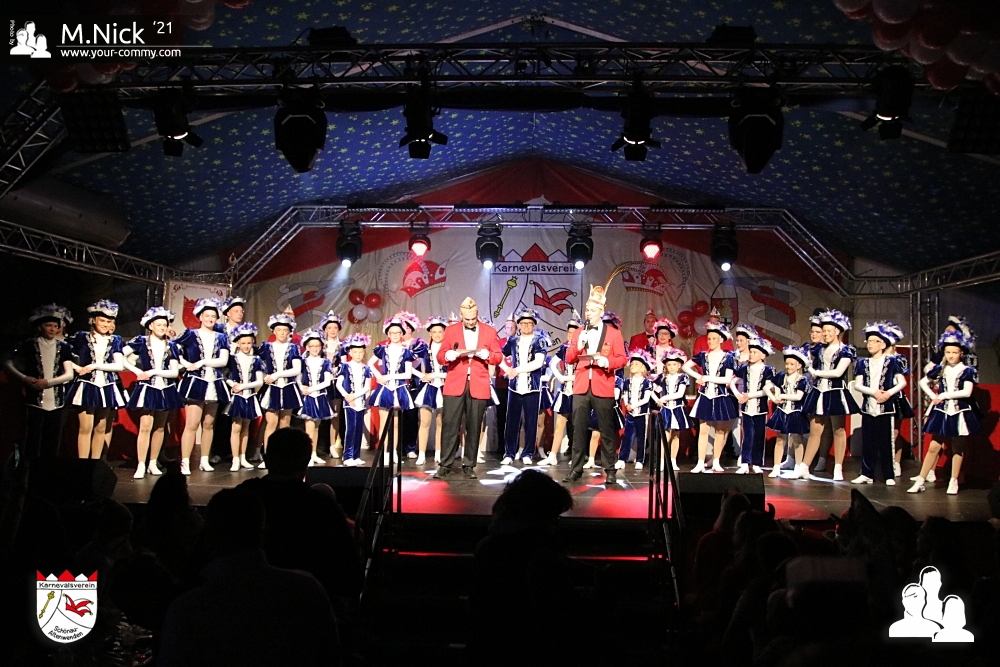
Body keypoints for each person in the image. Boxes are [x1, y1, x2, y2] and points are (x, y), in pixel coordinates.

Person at [158, 486, 341, 667]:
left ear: (207, 535)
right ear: (263, 532)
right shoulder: (307, 590)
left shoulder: (187, 608)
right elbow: (330, 656)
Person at [562, 285, 627, 485]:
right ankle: (576, 469)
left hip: (603, 385)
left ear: (600, 311)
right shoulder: (579, 332)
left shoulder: (613, 333)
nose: (588, 313)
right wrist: (578, 345)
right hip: (582, 386)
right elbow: (569, 358)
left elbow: (622, 358)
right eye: (587, 310)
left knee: (606, 429)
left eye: (592, 310)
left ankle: (610, 470)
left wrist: (608, 362)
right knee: (578, 429)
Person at [433, 297, 503, 480]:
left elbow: (498, 357)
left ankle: (469, 464)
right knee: (450, 424)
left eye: (473, 318)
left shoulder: (489, 331)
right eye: (467, 319)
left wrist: (488, 355)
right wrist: (448, 355)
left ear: (477, 314)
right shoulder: (451, 330)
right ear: (461, 315)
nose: (470, 322)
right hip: (455, 382)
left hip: (478, 383)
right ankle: (445, 464)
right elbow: (440, 355)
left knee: (474, 425)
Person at [908, 330, 981, 495]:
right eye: (948, 352)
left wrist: (944, 395)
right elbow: (923, 382)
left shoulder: (967, 370)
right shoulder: (941, 368)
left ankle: (954, 480)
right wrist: (933, 396)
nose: (951, 355)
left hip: (960, 411)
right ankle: (920, 480)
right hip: (942, 411)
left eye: (954, 352)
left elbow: (967, 392)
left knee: (957, 447)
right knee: (933, 446)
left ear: (961, 353)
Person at [4, 304, 75, 459]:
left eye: (55, 326)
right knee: (32, 439)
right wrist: (24, 378)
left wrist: (47, 382)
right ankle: (30, 469)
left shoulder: (63, 347)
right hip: (34, 400)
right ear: (40, 327)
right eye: (48, 325)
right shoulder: (29, 344)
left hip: (56, 402)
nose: (52, 329)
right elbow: (9, 363)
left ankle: (48, 469)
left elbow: (69, 374)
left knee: (52, 441)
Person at [122, 307, 183, 479]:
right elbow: (120, 356)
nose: (162, 327)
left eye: (165, 325)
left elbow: (173, 372)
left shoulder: (172, 346)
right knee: (145, 427)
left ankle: (153, 462)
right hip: (148, 388)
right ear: (150, 326)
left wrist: (154, 372)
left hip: (165, 389)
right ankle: (141, 464)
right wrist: (137, 371)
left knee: (160, 428)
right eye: (159, 324)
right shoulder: (141, 341)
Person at [800, 309, 858, 482]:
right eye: (823, 331)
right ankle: (804, 467)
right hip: (819, 391)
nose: (825, 334)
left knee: (838, 430)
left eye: (828, 331)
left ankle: (838, 467)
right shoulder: (820, 349)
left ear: (837, 331)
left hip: (835, 392)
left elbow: (838, 372)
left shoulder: (846, 350)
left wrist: (816, 372)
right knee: (815, 430)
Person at [175, 298, 231, 475]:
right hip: (195, 381)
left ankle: (204, 459)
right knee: (192, 424)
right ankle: (185, 461)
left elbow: (223, 360)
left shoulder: (222, 337)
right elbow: (174, 350)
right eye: (207, 315)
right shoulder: (190, 334)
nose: (210, 318)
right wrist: (186, 364)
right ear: (200, 317)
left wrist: (202, 362)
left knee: (209, 424)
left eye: (213, 316)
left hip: (214, 381)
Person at [66, 300, 126, 459]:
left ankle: (96, 464)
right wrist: (77, 368)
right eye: (102, 321)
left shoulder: (115, 340)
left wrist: (95, 366)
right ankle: (83, 465)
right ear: (93, 320)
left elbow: (119, 365)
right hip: (87, 385)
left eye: (109, 321)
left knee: (101, 427)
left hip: (106, 385)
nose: (106, 324)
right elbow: (62, 354)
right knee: (85, 427)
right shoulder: (81, 337)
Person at [851, 322, 907, 486]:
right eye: (868, 341)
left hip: (886, 408)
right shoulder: (862, 363)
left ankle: (888, 474)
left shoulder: (892, 362)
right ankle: (866, 473)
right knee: (868, 442)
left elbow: (902, 382)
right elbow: (858, 385)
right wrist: (874, 392)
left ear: (882, 344)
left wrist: (888, 393)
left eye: (874, 341)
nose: (870, 344)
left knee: (886, 442)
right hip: (869, 407)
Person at [683, 320, 738, 474]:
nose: (711, 341)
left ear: (721, 339)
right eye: (709, 338)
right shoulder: (703, 356)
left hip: (721, 396)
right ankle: (700, 462)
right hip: (705, 395)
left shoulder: (728, 357)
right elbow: (685, 366)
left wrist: (707, 378)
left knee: (720, 431)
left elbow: (727, 379)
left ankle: (716, 461)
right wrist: (699, 376)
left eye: (714, 338)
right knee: (703, 430)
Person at [499, 308, 548, 466]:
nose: (526, 326)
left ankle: (527, 453)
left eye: (529, 323)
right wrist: (508, 370)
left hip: (532, 387)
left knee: (531, 422)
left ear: (534, 325)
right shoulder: (513, 341)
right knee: (511, 422)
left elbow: (538, 362)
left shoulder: (539, 340)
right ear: (518, 325)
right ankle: (509, 453)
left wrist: (516, 370)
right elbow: (499, 356)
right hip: (514, 388)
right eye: (523, 323)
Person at [368, 315, 416, 463]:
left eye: (398, 332)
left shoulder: (406, 352)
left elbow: (408, 374)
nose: (395, 335)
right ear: (388, 334)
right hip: (385, 389)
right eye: (392, 332)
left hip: (399, 388)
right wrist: (379, 376)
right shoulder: (382, 350)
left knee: (395, 423)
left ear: (402, 334)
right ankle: (384, 452)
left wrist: (388, 376)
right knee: (383, 422)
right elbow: (369, 363)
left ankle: (394, 451)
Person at [258, 312, 303, 468]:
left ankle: (284, 457)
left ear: (289, 332)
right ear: (273, 331)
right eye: (279, 330)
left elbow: (296, 369)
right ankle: (268, 456)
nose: (282, 333)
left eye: (285, 330)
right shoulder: (266, 347)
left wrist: (276, 374)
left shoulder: (293, 348)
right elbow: (257, 365)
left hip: (288, 388)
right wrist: (264, 376)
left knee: (285, 423)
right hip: (272, 388)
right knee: (271, 422)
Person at [539, 313, 582, 467]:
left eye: (573, 333)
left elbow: (583, 373)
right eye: (569, 332)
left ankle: (578, 457)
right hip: (565, 391)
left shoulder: (583, 350)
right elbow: (552, 363)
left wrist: (568, 378)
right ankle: (553, 456)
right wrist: (559, 376)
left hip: (579, 390)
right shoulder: (564, 348)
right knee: (559, 425)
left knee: (578, 426)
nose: (570, 335)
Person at [730, 335, 775, 475]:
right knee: (747, 435)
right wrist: (738, 395)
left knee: (759, 435)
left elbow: (766, 390)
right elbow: (733, 381)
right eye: (750, 351)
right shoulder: (744, 368)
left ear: (763, 355)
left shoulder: (768, 370)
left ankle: (756, 463)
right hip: (746, 408)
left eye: (755, 352)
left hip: (760, 408)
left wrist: (749, 395)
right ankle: (745, 462)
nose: (751, 354)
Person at [764, 345, 810, 479]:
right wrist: (774, 398)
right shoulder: (781, 376)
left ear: (799, 365)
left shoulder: (802, 380)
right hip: (782, 411)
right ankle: (776, 467)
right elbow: (767, 387)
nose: (788, 366)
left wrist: (782, 396)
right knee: (780, 439)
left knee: (797, 439)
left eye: (792, 364)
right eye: (787, 364)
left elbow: (799, 397)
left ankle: (798, 466)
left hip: (796, 412)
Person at [224, 323, 264, 472]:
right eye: (243, 343)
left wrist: (243, 386)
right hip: (237, 397)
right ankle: (235, 458)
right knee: (236, 427)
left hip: (249, 395)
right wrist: (232, 384)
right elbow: (225, 376)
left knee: (246, 427)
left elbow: (259, 381)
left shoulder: (256, 360)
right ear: (237, 343)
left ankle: (243, 457)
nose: (246, 346)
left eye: (249, 343)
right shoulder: (232, 359)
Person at [296, 329, 333, 467]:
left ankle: (313, 453)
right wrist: (302, 388)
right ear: (307, 347)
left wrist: (311, 389)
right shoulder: (303, 361)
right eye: (312, 346)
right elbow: (298, 378)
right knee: (309, 427)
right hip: (309, 397)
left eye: (318, 346)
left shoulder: (325, 362)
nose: (315, 348)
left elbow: (327, 382)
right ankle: (308, 455)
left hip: (320, 396)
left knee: (316, 427)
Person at [414, 316, 448, 465]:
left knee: (441, 422)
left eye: (440, 331)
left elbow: (452, 372)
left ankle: (438, 453)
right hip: (428, 388)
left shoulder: (448, 350)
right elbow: (410, 365)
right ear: (430, 333)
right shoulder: (423, 349)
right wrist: (422, 376)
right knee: (425, 421)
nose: (437, 335)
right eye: (434, 332)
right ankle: (421, 454)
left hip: (445, 387)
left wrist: (435, 375)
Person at [616, 349, 656, 471]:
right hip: (630, 413)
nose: (633, 366)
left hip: (642, 413)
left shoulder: (647, 382)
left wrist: (633, 406)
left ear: (642, 367)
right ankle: (622, 459)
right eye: (632, 364)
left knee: (641, 437)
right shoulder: (627, 381)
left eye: (636, 364)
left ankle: (639, 460)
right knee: (627, 436)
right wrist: (627, 405)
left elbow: (646, 399)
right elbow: (625, 395)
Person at [336, 333, 373, 467]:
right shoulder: (345, 366)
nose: (358, 354)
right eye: (355, 352)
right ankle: (347, 456)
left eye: (360, 352)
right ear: (350, 352)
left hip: (360, 402)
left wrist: (355, 396)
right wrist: (347, 396)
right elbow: (339, 384)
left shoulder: (366, 368)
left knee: (358, 429)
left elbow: (367, 387)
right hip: (349, 403)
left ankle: (356, 455)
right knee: (350, 429)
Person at [653, 347, 692, 471]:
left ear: (679, 365)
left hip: (677, 409)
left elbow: (680, 394)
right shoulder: (662, 377)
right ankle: (661, 461)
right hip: (666, 409)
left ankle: (673, 460)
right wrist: (657, 400)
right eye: (669, 364)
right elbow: (651, 389)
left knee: (675, 435)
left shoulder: (682, 377)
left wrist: (664, 397)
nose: (671, 367)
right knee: (665, 436)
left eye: (674, 364)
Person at [319, 311, 344, 458]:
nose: (333, 330)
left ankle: (333, 445)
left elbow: (345, 365)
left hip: (336, 383)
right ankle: (320, 446)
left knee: (335, 414)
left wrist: (337, 370)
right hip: (321, 383)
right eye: (330, 328)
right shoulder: (319, 345)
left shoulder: (342, 346)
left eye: (335, 327)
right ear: (325, 329)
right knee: (320, 414)